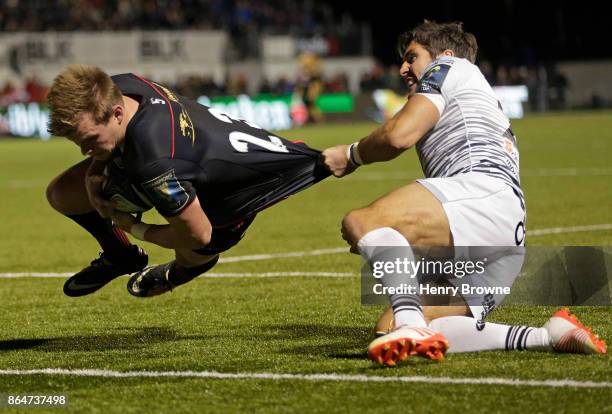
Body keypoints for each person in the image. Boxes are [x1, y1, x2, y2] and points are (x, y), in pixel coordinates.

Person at [321, 21, 606, 366]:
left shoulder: (448, 67)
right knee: (388, 328)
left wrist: (351, 155)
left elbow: (399, 135)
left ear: (444, 54)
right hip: (505, 237)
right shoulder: (470, 90)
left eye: (412, 57)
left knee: (362, 222)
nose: (403, 68)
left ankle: (412, 326)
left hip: (481, 196)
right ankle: (547, 335)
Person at [46, 64, 328, 298]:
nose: (84, 151)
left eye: (91, 140)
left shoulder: (154, 162)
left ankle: (183, 271)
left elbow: (198, 233)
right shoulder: (120, 86)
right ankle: (120, 255)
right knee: (61, 193)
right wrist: (95, 173)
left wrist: (134, 226)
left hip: (230, 199)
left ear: (116, 113)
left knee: (195, 247)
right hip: (194, 159)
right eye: (78, 143)